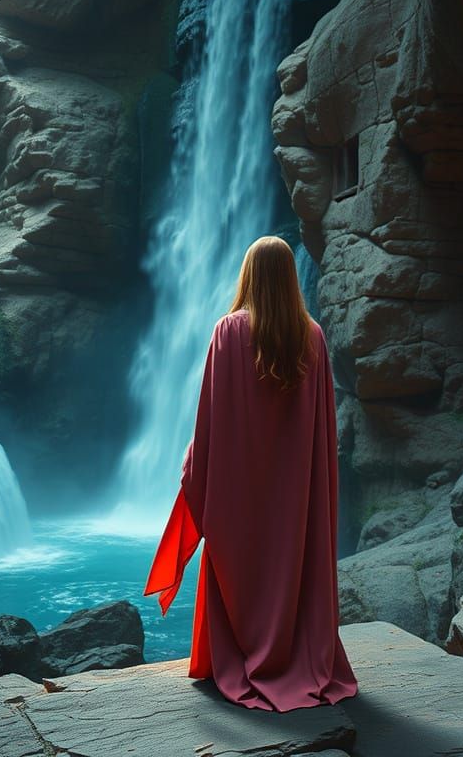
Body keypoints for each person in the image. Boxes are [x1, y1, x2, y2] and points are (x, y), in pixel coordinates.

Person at [143, 235, 358, 712]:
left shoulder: (228, 332)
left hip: (239, 494)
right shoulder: (315, 337)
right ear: (289, 279)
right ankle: (296, 659)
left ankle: (239, 658)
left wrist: (193, 466)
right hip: (296, 497)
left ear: (249, 277)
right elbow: (324, 434)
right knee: (292, 564)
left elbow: (211, 419)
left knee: (236, 564)